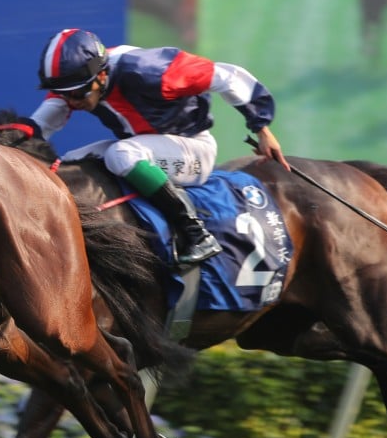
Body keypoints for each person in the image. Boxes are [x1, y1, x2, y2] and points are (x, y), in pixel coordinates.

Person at [27, 29, 290, 266]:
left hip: (194, 150)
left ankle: (196, 233)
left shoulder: (152, 71)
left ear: (102, 74)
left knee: (122, 155)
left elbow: (229, 76)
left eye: (77, 94)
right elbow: (39, 124)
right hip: (146, 147)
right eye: (64, 95)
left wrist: (261, 127)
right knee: (69, 162)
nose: (71, 102)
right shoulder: (80, 85)